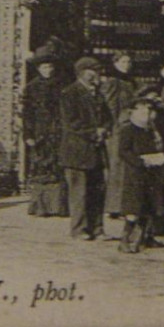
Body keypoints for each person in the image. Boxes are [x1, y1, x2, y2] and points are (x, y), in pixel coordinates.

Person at [60, 56, 113, 241]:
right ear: (83, 72)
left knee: (97, 191)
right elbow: (71, 123)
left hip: (96, 150)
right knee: (79, 193)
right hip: (77, 152)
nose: (98, 75)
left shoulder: (97, 94)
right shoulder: (69, 93)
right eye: (94, 71)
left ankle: (97, 228)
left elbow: (108, 116)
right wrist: (93, 133)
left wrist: (104, 129)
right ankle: (79, 228)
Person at [113, 95, 164, 253]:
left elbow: (157, 148)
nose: (146, 112)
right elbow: (123, 151)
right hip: (135, 175)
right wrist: (140, 161)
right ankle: (124, 240)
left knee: (147, 208)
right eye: (142, 108)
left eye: (148, 109)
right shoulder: (128, 129)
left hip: (152, 173)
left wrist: (158, 158)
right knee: (133, 210)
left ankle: (139, 240)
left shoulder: (151, 130)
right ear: (133, 111)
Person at [22, 46, 67, 217]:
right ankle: (40, 207)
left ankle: (57, 206)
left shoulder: (61, 85)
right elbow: (27, 114)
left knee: (57, 168)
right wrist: (28, 135)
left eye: (50, 67)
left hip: (57, 131)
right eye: (44, 67)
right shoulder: (31, 88)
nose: (48, 70)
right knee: (41, 168)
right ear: (38, 69)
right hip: (40, 132)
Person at [102, 52, 140, 228]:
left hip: (128, 127)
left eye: (129, 61)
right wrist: (113, 126)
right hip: (118, 129)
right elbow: (109, 106)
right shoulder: (112, 81)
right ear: (115, 63)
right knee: (117, 166)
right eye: (123, 61)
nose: (127, 64)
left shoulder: (129, 81)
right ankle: (114, 205)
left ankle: (124, 204)